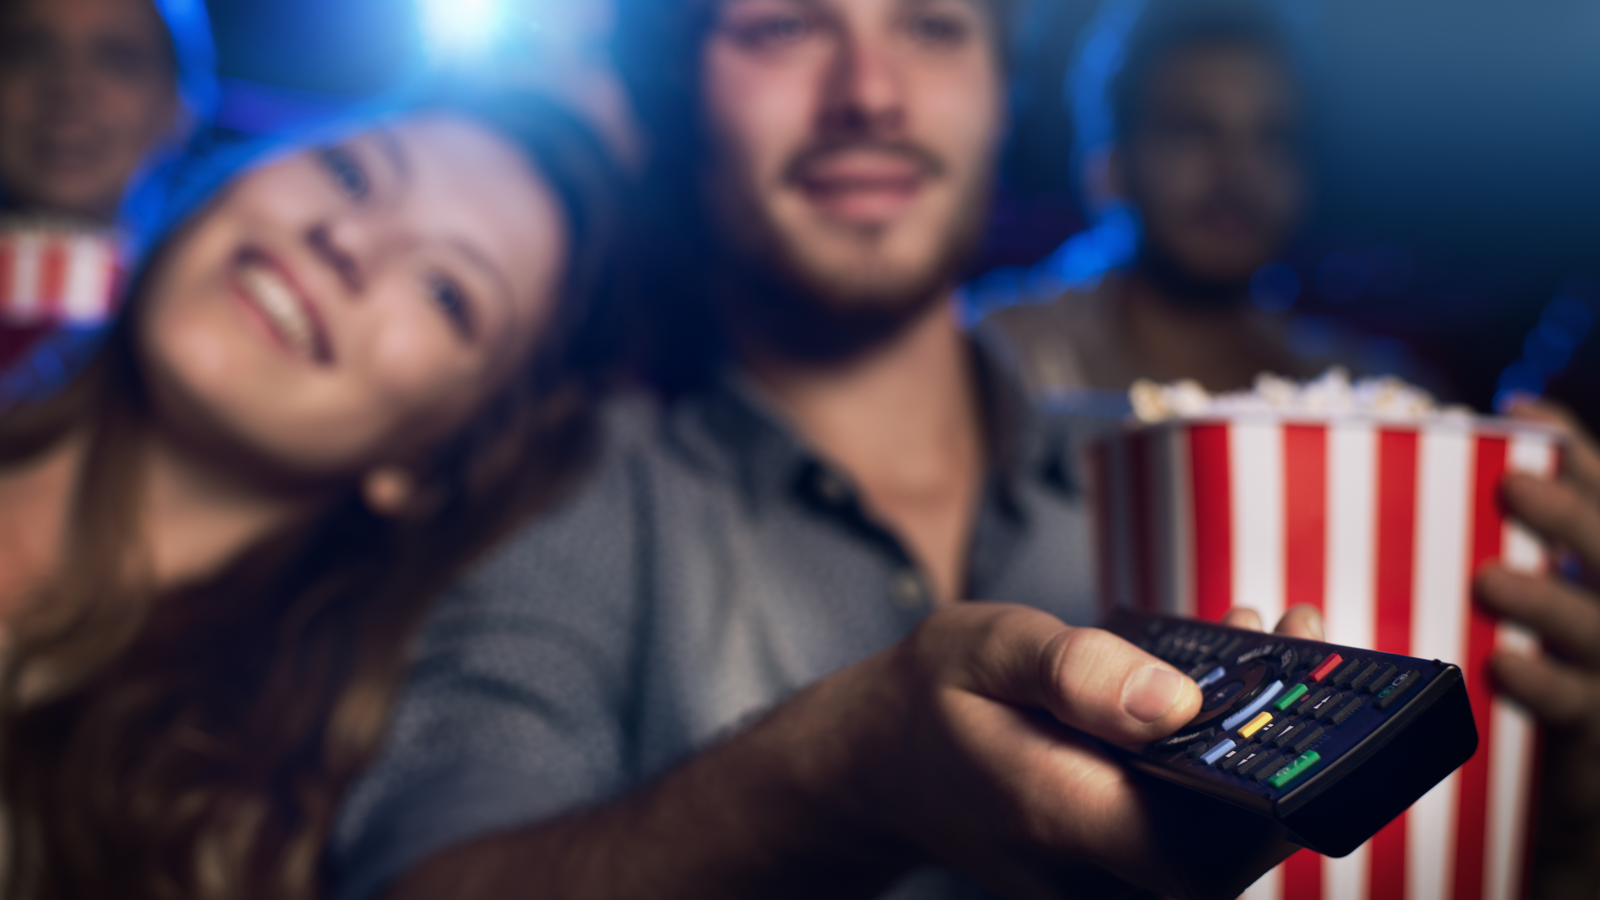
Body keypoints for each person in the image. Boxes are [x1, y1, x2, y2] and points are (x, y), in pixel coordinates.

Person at [325, 2, 1322, 900]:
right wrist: (845, 771)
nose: (869, 96)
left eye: (930, 27)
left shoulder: (1185, 475)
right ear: (685, 95)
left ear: (999, 95)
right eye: (783, 27)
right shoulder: (563, 491)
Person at [0, 86, 617, 899]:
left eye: (445, 293)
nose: (350, 239)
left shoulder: (222, 843)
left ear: (428, 462)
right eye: (350, 173)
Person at [982, 0, 1316, 395]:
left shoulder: (1365, 395)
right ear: (1110, 168)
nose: (1239, 170)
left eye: (1271, 139)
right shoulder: (997, 362)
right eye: (1193, 132)